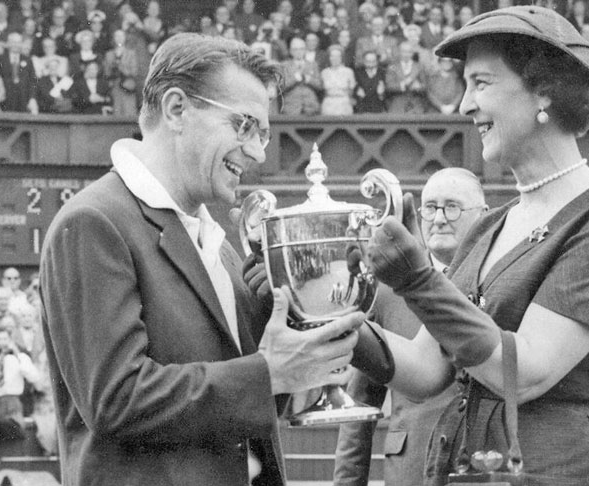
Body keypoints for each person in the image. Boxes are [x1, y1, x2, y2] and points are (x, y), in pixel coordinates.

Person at [39, 33, 363, 486]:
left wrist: (292, 354)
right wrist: (268, 373)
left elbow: (242, 409)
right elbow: (117, 398)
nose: (258, 152)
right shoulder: (95, 222)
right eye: (244, 126)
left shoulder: (220, 244)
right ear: (176, 109)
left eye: (263, 134)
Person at [353, 7, 589, 485]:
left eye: (482, 83)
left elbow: (525, 372)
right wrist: (335, 319)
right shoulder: (488, 226)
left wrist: (417, 281)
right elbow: (426, 371)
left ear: (544, 90)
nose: (464, 104)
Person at [333, 168, 488, 486]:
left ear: (484, 216)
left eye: (453, 207)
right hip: (411, 466)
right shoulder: (388, 288)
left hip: (482, 465)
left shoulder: (498, 281)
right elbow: (361, 402)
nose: (440, 218)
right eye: (430, 207)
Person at [321, 44, 356, 115]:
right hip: (328, 104)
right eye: (332, 56)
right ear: (329, 58)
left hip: (344, 103)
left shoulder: (348, 71)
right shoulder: (324, 72)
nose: (335, 58)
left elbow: (351, 90)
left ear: (342, 58)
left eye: (338, 56)